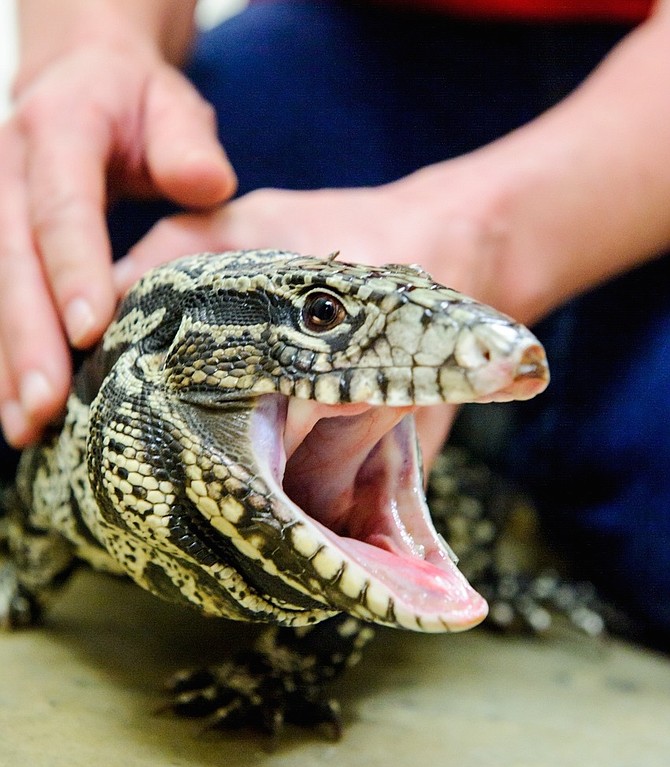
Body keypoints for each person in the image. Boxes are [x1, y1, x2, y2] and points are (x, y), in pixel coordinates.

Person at [1, 0, 669, 642]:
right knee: (37, 317)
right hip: (350, 46)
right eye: (321, 317)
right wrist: (93, 46)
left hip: (641, 111)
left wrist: (488, 236)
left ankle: (432, 451)